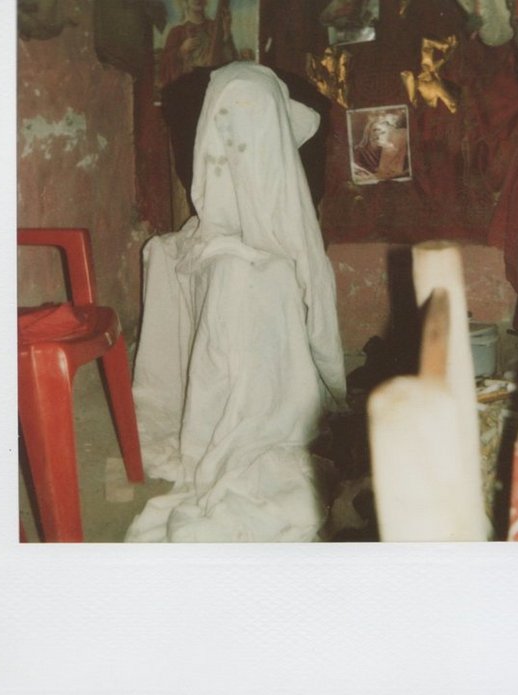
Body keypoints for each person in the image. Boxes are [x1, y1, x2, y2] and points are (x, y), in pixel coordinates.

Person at [125, 63, 347, 542]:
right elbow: (220, 206)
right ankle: (227, 420)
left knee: (253, 276)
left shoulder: (278, 135)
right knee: (204, 263)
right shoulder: (216, 122)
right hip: (227, 237)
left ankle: (263, 416)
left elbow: (282, 224)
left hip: (265, 246)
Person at [159, 0, 236, 89]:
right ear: (186, 1)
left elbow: (231, 62)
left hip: (213, 86)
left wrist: (226, 34)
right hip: (187, 88)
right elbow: (165, 68)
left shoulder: (215, 28)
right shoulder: (176, 32)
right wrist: (181, 51)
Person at [352, 111, 409, 183]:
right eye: (375, 130)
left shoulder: (389, 152)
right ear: (368, 132)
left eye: (383, 132)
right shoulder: (359, 151)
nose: (378, 134)